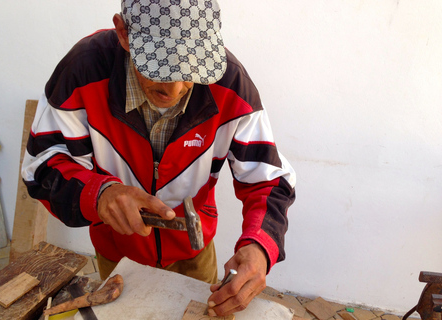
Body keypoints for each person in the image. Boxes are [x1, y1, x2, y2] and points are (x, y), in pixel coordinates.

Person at [21, 0, 296, 316]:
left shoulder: (230, 83)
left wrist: (260, 246)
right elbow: (42, 165)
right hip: (117, 251)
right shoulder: (82, 71)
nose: (176, 89)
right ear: (124, 33)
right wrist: (98, 194)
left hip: (195, 253)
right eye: (160, 68)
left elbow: (270, 180)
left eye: (192, 71)